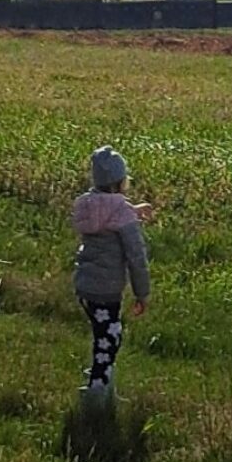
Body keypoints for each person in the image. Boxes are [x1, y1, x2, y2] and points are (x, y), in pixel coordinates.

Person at [71, 145, 151, 396]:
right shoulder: (122, 214)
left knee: (103, 333)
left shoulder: (87, 205)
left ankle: (100, 378)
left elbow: (105, 213)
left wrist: (132, 210)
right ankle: (97, 392)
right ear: (121, 181)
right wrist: (142, 293)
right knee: (110, 340)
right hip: (107, 290)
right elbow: (136, 257)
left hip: (85, 286)